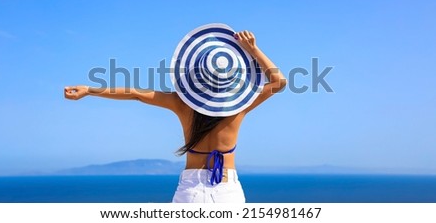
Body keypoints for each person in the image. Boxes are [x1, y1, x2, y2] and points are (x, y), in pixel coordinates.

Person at [64, 30, 286, 203]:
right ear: (232, 78)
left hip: (190, 192)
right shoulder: (241, 106)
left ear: (196, 76)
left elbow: (136, 94)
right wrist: (253, 50)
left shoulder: (182, 103)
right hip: (227, 190)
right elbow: (279, 82)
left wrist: (90, 90)